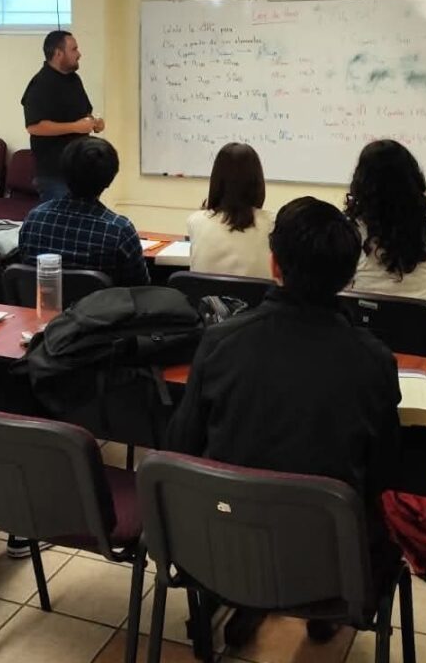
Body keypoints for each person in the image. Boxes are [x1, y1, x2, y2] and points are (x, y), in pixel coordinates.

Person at [170, 196, 401, 645]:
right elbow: (381, 473)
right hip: (330, 562)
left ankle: (253, 599)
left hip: (222, 549)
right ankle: (310, 608)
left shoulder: (219, 342)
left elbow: (181, 445)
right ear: (350, 276)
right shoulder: (373, 360)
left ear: (274, 264)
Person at [345, 139, 426, 321]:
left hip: (357, 342)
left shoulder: (347, 228)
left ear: (360, 183)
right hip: (417, 342)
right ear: (414, 180)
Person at [18, 137, 149, 287]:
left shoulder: (35, 218)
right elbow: (140, 288)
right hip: (100, 310)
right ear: (110, 178)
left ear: (63, 170)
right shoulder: (119, 230)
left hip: (42, 308)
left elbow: (25, 268)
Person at [21, 29, 103, 202]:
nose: (79, 54)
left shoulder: (74, 79)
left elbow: (83, 113)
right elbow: (34, 126)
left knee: (81, 221)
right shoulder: (40, 84)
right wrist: (75, 127)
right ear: (58, 53)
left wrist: (94, 123)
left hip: (80, 167)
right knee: (60, 224)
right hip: (54, 174)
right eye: (74, 49)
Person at [186, 142, 273, 279]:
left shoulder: (195, 221)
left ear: (216, 180)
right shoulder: (272, 224)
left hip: (207, 300)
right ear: (257, 181)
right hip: (256, 300)